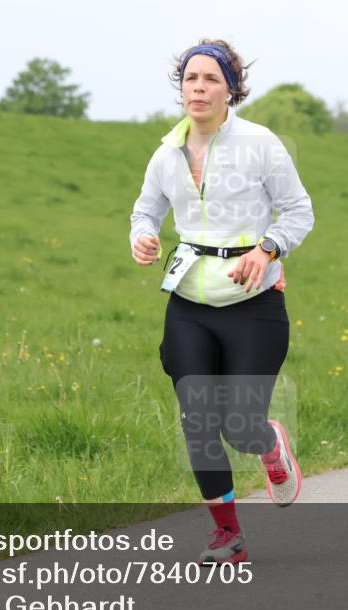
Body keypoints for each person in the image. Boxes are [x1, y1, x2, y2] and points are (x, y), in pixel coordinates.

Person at [129, 39, 314, 563]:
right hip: (189, 300)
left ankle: (269, 444)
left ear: (231, 89)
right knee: (197, 418)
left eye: (211, 79)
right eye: (191, 79)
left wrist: (267, 248)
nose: (199, 88)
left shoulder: (260, 144)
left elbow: (298, 212)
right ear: (181, 87)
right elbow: (145, 212)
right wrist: (142, 237)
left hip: (253, 301)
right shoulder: (166, 152)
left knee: (239, 425)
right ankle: (228, 535)